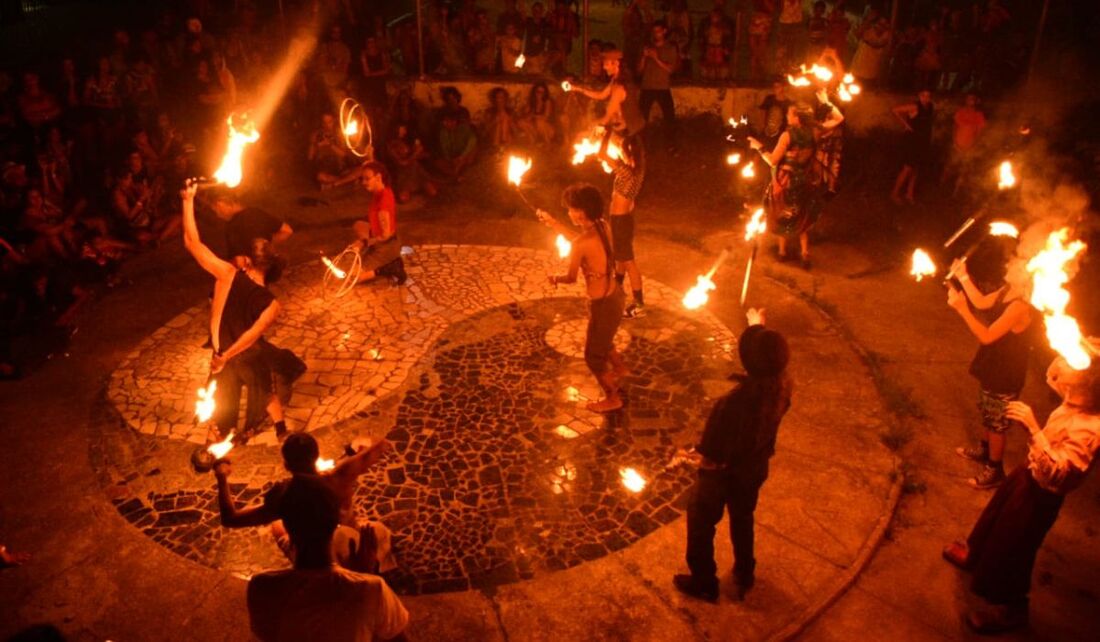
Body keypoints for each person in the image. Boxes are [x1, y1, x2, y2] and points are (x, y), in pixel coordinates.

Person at [942, 351, 1100, 634]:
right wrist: (1072, 346)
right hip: (1027, 473)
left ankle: (1012, 610)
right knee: (994, 517)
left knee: (1015, 549)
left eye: (1070, 364)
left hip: (1042, 496)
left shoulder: (1091, 430)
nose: (1062, 367)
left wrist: (1033, 429)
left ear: (1090, 384)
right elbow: (1052, 375)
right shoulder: (1077, 397)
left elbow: (1060, 474)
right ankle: (975, 557)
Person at [674, 308, 792, 602]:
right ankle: (745, 572)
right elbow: (768, 354)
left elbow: (712, 455)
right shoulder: (782, 386)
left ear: (748, 363)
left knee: (701, 521)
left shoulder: (731, 405)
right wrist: (757, 327)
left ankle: (704, 582)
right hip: (753, 470)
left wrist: (688, 455)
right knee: (743, 516)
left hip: (722, 476)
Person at [180, 180, 303, 442]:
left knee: (242, 396)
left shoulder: (227, 275)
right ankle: (280, 429)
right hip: (240, 354)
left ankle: (237, 434)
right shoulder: (272, 304)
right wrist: (227, 356)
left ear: (247, 260)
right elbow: (253, 336)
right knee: (261, 388)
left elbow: (192, 242)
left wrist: (187, 201)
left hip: (229, 355)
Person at [245, 467, 409, 642]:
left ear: (286, 524)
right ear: (335, 523)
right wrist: (364, 575)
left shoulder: (261, 587)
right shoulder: (370, 589)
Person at [215, 432, 397, 573]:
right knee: (376, 531)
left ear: (286, 465)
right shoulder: (340, 476)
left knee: (277, 526)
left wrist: (221, 477)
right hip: (348, 541)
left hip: (312, 561)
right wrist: (362, 446)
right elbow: (380, 446)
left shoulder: (283, 495)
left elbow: (231, 519)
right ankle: (373, 562)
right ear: (316, 456)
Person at [947, 238, 1038, 489]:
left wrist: (961, 309)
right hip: (993, 364)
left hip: (1006, 371)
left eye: (1014, 263)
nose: (1008, 264)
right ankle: (985, 451)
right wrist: (963, 277)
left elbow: (987, 336)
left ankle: (995, 469)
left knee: (997, 421)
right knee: (987, 409)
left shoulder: (1020, 305)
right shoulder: (1007, 290)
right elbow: (982, 302)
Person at [537, 184, 627, 413]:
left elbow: (570, 277)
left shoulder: (580, 245)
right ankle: (621, 370)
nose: (568, 213)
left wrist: (555, 278)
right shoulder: (603, 226)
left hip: (603, 305)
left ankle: (613, 398)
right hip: (616, 296)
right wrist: (552, 223)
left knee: (593, 357)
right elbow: (581, 240)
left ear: (581, 212)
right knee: (604, 339)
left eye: (571, 209)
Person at [749, 90, 843, 269]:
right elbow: (838, 119)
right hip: (805, 181)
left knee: (781, 213)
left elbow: (773, 161)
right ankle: (805, 254)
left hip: (785, 182)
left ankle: (783, 253)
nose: (786, 115)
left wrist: (758, 147)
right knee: (801, 215)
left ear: (797, 118)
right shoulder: (815, 132)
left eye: (790, 113)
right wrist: (825, 101)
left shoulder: (787, 135)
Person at [599, 133, 647, 319]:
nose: (619, 151)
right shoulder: (635, 170)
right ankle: (617, 293)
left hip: (621, 222)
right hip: (622, 219)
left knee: (628, 262)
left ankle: (639, 305)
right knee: (620, 259)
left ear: (629, 153)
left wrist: (606, 132)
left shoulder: (628, 173)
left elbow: (602, 154)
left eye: (622, 150)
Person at [569, 47, 646, 137]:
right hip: (627, 128)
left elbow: (607, 117)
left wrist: (591, 125)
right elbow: (601, 95)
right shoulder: (615, 80)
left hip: (633, 132)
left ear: (616, 63)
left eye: (606, 64)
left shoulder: (619, 88)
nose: (604, 67)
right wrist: (576, 88)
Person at [353, 162, 407, 286]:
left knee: (354, 278)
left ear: (378, 178)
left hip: (386, 246)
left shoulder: (383, 203)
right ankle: (375, 258)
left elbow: (385, 235)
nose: (363, 182)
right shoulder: (381, 191)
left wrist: (364, 242)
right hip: (380, 242)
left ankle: (390, 267)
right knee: (358, 225)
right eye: (363, 178)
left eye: (367, 179)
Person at [204, 192, 293, 264]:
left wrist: (266, 247)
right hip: (259, 272)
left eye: (218, 208)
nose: (218, 215)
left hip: (249, 274)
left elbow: (286, 230)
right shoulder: (255, 213)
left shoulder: (235, 224)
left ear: (230, 203)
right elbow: (286, 231)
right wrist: (267, 247)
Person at [638, 21, 679, 153]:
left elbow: (670, 69)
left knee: (669, 118)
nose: (656, 34)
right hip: (647, 87)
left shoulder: (670, 48)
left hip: (662, 87)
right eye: (654, 31)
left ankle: (670, 144)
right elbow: (639, 71)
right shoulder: (647, 48)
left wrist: (656, 58)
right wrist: (644, 58)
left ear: (664, 31)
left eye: (658, 31)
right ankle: (639, 146)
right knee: (641, 118)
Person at [891, 89, 934, 205]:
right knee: (907, 168)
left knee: (916, 168)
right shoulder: (914, 106)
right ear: (919, 96)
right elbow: (895, 110)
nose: (925, 98)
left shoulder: (930, 107)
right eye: (923, 95)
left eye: (928, 96)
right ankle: (894, 193)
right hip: (912, 141)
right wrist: (906, 124)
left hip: (923, 141)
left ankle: (909, 193)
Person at [943, 93, 987, 197]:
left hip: (969, 146)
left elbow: (979, 133)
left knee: (964, 169)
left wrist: (973, 146)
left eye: (973, 99)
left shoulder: (979, 115)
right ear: (966, 100)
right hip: (957, 144)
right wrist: (954, 142)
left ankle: (956, 192)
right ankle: (941, 186)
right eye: (969, 99)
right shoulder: (960, 112)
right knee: (950, 166)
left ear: (975, 101)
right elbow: (955, 127)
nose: (970, 101)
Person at [520, 82, 557, 147]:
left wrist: (534, 116)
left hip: (547, 128)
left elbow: (546, 117)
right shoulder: (532, 101)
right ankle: (533, 141)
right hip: (535, 128)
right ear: (534, 92)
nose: (540, 94)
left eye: (542, 92)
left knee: (539, 122)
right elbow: (526, 117)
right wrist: (529, 107)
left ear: (545, 93)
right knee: (521, 122)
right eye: (538, 92)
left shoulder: (547, 102)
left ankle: (548, 143)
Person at [758, 79, 791, 150]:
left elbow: (789, 120)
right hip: (766, 131)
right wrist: (762, 125)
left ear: (783, 88)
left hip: (780, 133)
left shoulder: (788, 103)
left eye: (778, 87)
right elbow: (762, 112)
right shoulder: (769, 99)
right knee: (760, 148)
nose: (775, 89)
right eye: (774, 87)